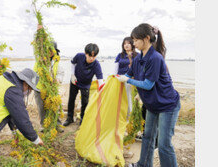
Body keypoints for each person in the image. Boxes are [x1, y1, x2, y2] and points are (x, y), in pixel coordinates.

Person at [116, 23, 180, 167]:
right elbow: (128, 74)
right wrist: (116, 79)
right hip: (152, 104)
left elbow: (148, 84)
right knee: (148, 137)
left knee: (164, 145)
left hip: (167, 105)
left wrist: (128, 80)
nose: (133, 43)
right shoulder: (138, 58)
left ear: (146, 39)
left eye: (136, 40)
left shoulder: (155, 58)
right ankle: (143, 164)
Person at [63, 43, 104, 126]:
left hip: (85, 84)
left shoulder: (96, 65)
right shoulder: (79, 56)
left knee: (85, 102)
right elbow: (72, 63)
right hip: (75, 81)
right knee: (71, 99)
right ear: (85, 53)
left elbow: (100, 80)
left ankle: (83, 119)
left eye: (94, 56)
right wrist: (72, 75)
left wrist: (102, 90)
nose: (92, 58)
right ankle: (70, 118)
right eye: (90, 56)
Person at [33, 25, 65, 132]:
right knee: (41, 108)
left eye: (52, 50)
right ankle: (43, 125)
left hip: (52, 88)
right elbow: (38, 45)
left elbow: (60, 73)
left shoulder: (56, 61)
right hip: (39, 88)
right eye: (49, 49)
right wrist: (39, 33)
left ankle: (57, 124)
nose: (50, 52)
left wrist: (58, 80)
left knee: (54, 106)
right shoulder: (40, 59)